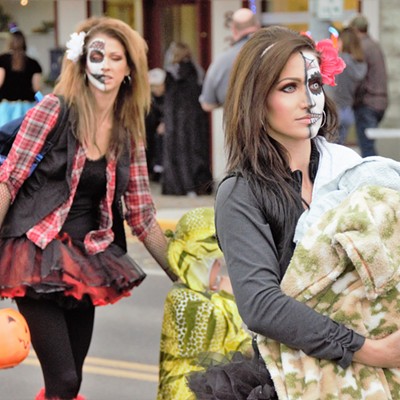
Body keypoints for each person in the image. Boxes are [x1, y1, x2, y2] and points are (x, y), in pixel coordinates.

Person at [187, 26, 400, 399]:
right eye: (289, 88)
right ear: (256, 99)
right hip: (292, 377)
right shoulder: (241, 192)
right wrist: (370, 350)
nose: (308, 101)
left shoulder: (351, 169)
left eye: (314, 85)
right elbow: (262, 306)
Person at [0, 16, 177, 400]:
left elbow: (142, 215)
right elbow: (9, 180)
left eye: (117, 57)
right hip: (35, 253)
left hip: (87, 260)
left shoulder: (127, 131)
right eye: (98, 55)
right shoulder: (53, 109)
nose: (106, 65)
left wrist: (183, 276)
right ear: (83, 62)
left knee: (72, 382)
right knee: (63, 379)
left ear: (130, 69)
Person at [157, 207, 252, 400]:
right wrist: (228, 297)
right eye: (213, 261)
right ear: (196, 262)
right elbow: (228, 341)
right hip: (185, 393)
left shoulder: (200, 295)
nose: (219, 266)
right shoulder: (184, 300)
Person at [162, 42, 213, 196]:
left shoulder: (172, 74)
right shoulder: (197, 72)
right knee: (195, 152)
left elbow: (170, 101)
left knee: (177, 153)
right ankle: (197, 186)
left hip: (176, 121)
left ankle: (179, 187)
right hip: (195, 121)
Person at [199, 8, 260, 112]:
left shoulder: (220, 62)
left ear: (234, 30)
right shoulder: (275, 51)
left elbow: (207, 104)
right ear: (257, 25)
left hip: (237, 126)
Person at [349, 14, 388, 157]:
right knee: (368, 144)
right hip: (380, 102)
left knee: (367, 148)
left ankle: (374, 178)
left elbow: (359, 78)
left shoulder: (361, 48)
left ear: (354, 30)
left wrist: (351, 98)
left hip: (367, 103)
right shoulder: (374, 45)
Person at [329, 27, 367, 145]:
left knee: (331, 149)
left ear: (344, 42)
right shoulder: (360, 64)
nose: (337, 43)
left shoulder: (341, 62)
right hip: (349, 110)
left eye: (339, 40)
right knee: (340, 147)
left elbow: (334, 88)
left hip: (337, 109)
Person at [0, 28, 42, 125]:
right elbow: (36, 88)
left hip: (7, 108)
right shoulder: (34, 63)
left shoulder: (2, 60)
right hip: (27, 107)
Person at [146, 67, 166, 182]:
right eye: (153, 87)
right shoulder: (150, 100)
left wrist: (164, 122)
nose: (155, 89)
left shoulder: (169, 98)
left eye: (157, 86)